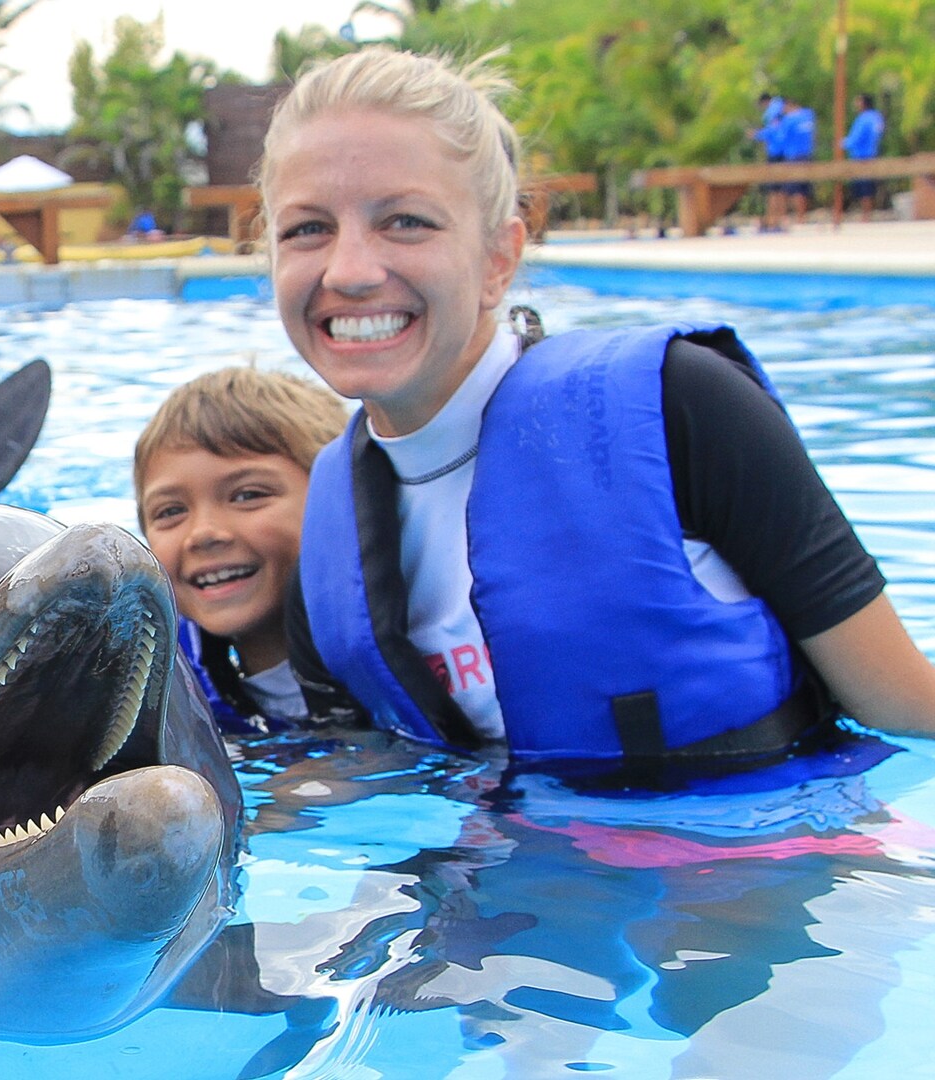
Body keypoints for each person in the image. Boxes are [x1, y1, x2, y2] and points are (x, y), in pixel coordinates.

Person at [261, 48, 935, 767]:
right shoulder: (328, 542)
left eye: (406, 222)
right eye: (307, 229)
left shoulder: (684, 410)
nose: (351, 271)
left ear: (498, 258)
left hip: (765, 866)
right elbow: (349, 783)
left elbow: (907, 710)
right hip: (495, 874)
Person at [135, 367, 347, 735]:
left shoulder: (421, 660)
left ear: (338, 500)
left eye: (248, 495)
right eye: (171, 512)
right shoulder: (157, 693)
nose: (202, 534)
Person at [843, 93, 885, 222]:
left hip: (862, 156)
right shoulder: (877, 117)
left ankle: (866, 216)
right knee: (869, 186)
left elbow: (856, 138)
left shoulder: (863, 119)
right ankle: (868, 214)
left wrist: (842, 143)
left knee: (864, 186)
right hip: (873, 153)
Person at [777, 98, 817, 225]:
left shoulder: (789, 119)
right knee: (804, 187)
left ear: (789, 105)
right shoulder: (808, 115)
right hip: (807, 155)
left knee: (794, 188)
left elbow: (780, 138)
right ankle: (802, 216)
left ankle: (795, 217)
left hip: (793, 156)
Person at [752, 92, 787, 231]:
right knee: (780, 187)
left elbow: (774, 130)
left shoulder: (773, 110)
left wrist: (757, 134)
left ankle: (775, 218)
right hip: (785, 151)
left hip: (776, 152)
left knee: (774, 188)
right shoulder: (781, 106)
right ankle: (778, 218)